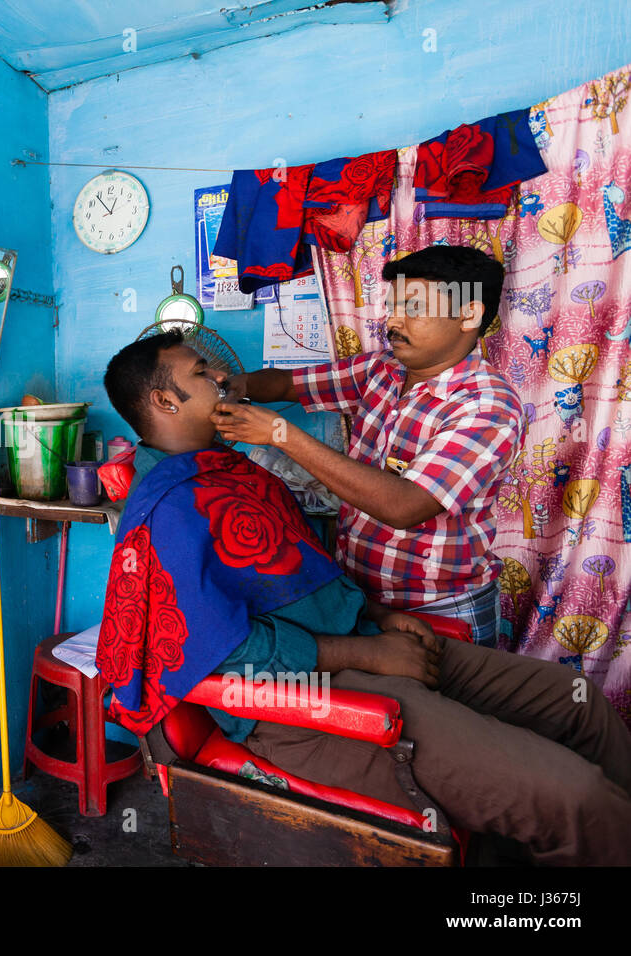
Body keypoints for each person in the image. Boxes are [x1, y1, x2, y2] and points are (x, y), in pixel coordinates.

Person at [97, 331, 631, 865]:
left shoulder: (234, 471)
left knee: (580, 705)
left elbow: (308, 573)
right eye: (201, 373)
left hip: (369, 640)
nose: (221, 379)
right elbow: (225, 654)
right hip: (297, 701)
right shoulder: (165, 510)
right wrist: (368, 655)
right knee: (577, 798)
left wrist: (379, 616)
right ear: (166, 402)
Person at [214, 245, 524, 645]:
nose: (392, 321)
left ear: (469, 314)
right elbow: (289, 384)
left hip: (438, 606)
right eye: (393, 306)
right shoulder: (383, 370)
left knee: (446, 707)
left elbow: (404, 506)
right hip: (362, 597)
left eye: (413, 308)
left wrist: (280, 434)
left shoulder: (488, 405)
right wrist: (242, 385)